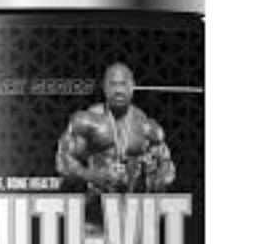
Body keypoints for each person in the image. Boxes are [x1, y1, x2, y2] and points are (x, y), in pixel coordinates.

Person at [56, 63, 175, 207]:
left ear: (132, 87)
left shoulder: (148, 128)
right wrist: (92, 176)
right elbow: (62, 161)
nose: (118, 90)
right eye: (113, 84)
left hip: (133, 208)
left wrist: (153, 178)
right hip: (94, 204)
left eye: (123, 84)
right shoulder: (86, 121)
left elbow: (167, 171)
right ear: (105, 88)